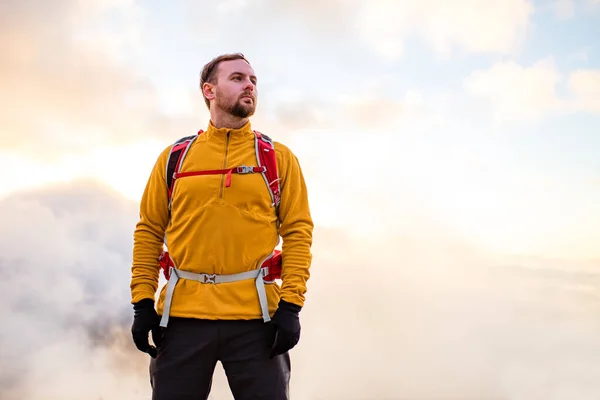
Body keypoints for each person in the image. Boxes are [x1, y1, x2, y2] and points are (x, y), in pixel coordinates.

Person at [129, 53, 314, 399]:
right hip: (182, 317)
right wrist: (142, 303)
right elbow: (149, 230)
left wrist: (291, 307)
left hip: (257, 319)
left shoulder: (277, 158)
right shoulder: (175, 157)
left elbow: (298, 232)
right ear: (209, 90)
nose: (250, 86)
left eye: (254, 80)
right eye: (238, 78)